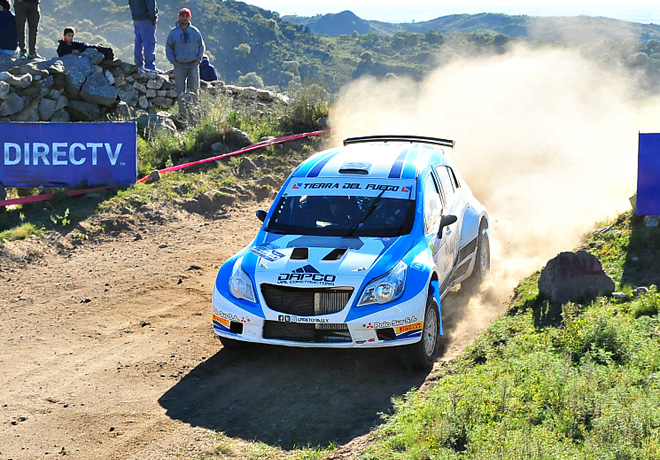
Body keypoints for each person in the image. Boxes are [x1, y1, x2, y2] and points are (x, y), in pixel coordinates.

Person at [166, 7, 205, 97]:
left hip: (193, 64)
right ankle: (182, 106)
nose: (184, 18)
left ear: (190, 17)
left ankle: (194, 105)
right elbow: (169, 47)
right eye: (182, 16)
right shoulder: (173, 32)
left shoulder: (195, 31)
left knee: (194, 90)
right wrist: (173, 61)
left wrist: (198, 60)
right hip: (179, 65)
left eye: (186, 16)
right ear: (179, 17)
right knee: (180, 91)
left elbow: (201, 46)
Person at [129, 0, 158, 70]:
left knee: (138, 42)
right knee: (149, 42)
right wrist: (154, 17)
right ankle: (149, 66)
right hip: (146, 19)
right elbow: (151, 5)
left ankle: (138, 64)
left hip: (136, 19)